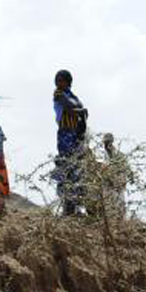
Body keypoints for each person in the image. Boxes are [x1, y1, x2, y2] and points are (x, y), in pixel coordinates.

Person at [52, 69, 88, 216]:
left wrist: (80, 110)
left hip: (75, 135)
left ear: (68, 82)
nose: (59, 83)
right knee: (66, 165)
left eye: (62, 80)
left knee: (76, 168)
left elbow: (77, 106)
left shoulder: (72, 95)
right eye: (58, 80)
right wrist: (81, 111)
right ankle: (67, 205)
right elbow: (71, 107)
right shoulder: (58, 94)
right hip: (65, 134)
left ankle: (75, 205)